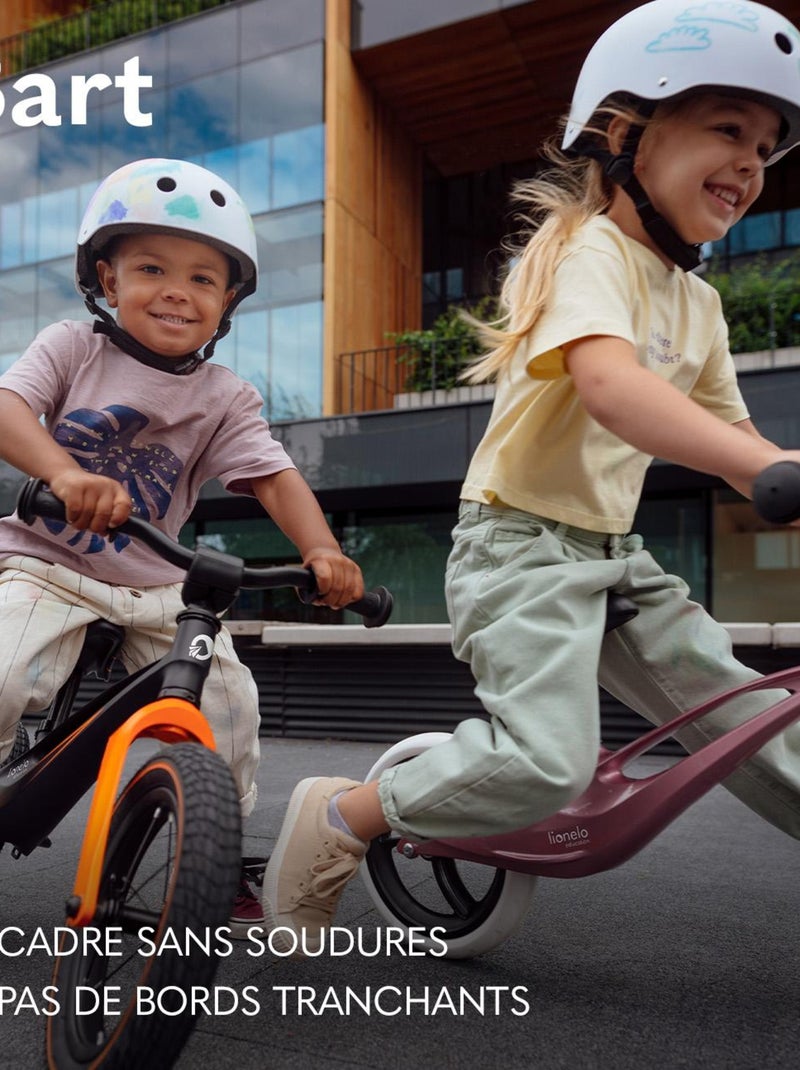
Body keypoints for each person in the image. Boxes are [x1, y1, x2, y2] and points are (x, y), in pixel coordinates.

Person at [261, 0, 800, 956]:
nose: (752, 163)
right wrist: (764, 467)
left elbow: (732, 439)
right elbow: (610, 387)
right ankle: (348, 812)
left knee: (758, 725)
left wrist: (774, 477)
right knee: (547, 763)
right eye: (728, 129)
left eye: (768, 146)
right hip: (518, 548)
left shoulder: (701, 302)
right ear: (628, 133)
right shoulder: (588, 252)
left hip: (616, 561)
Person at [0, 157, 364, 935]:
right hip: (47, 564)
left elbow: (271, 476)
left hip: (157, 587)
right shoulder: (72, 348)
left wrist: (324, 549)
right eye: (152, 268)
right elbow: (8, 410)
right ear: (107, 276)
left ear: (228, 301)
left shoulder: (225, 395)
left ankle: (213, 855)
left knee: (231, 708)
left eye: (203, 279)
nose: (176, 290)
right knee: (4, 675)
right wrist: (65, 474)